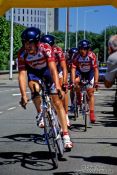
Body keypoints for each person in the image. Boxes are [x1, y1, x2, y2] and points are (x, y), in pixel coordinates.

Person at [18, 27, 73, 149]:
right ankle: (40, 115)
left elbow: (53, 68)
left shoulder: (45, 48)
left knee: (57, 102)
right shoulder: (22, 53)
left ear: (37, 42)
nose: (28, 46)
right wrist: (23, 95)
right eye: (25, 43)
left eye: (30, 43)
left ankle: (65, 136)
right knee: (34, 87)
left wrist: (58, 86)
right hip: (34, 73)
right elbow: (22, 75)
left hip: (47, 71)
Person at [40, 34, 70, 127]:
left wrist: (64, 81)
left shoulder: (58, 51)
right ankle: (43, 113)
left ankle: (65, 115)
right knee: (41, 91)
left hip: (57, 69)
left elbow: (64, 68)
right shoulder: (40, 51)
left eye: (50, 46)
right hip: (46, 70)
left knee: (61, 92)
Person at [71, 39, 99, 123]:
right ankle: (79, 98)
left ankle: (92, 113)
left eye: (85, 49)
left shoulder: (92, 56)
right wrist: (72, 82)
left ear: (88, 49)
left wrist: (96, 82)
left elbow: (96, 69)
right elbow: (73, 69)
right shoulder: (76, 56)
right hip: (79, 72)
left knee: (90, 92)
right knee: (76, 83)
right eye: (81, 49)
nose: (82, 51)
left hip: (89, 72)